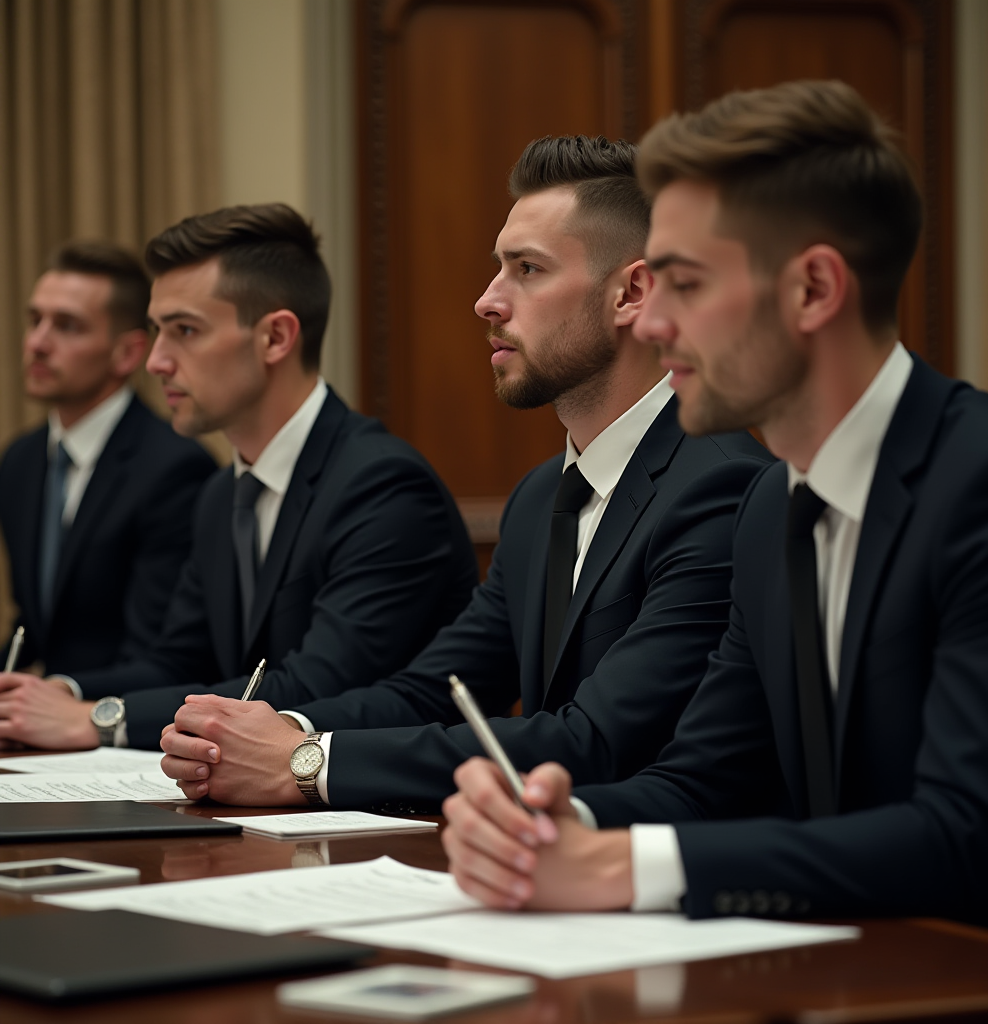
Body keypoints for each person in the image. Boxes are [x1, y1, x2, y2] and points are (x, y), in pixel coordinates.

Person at [439, 82, 988, 933]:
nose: (655, 321)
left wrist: (618, 864)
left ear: (814, 290)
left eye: (684, 283)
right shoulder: (770, 506)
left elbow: (973, 836)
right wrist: (555, 830)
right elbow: (704, 779)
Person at [158, 136, 771, 811]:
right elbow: (434, 690)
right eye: (496, 269)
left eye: (527, 269)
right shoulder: (541, 497)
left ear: (632, 292)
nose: (487, 300)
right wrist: (281, 732)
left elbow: (598, 741)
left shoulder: (721, 485)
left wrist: (309, 765)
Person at [0, 203, 478, 751]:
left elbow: (315, 684)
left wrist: (98, 720)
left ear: (275, 338)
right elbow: (175, 663)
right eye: (157, 331)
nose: (156, 362)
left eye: (184, 330)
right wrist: (62, 693)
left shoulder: (383, 486)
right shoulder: (219, 494)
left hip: (393, 816)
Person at [0, 242, 215, 687]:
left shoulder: (175, 467)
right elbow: (36, 624)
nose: (38, 343)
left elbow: (163, 655)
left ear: (128, 353)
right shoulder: (20, 461)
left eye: (67, 326)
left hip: (128, 730)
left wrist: (60, 696)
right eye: (35, 320)